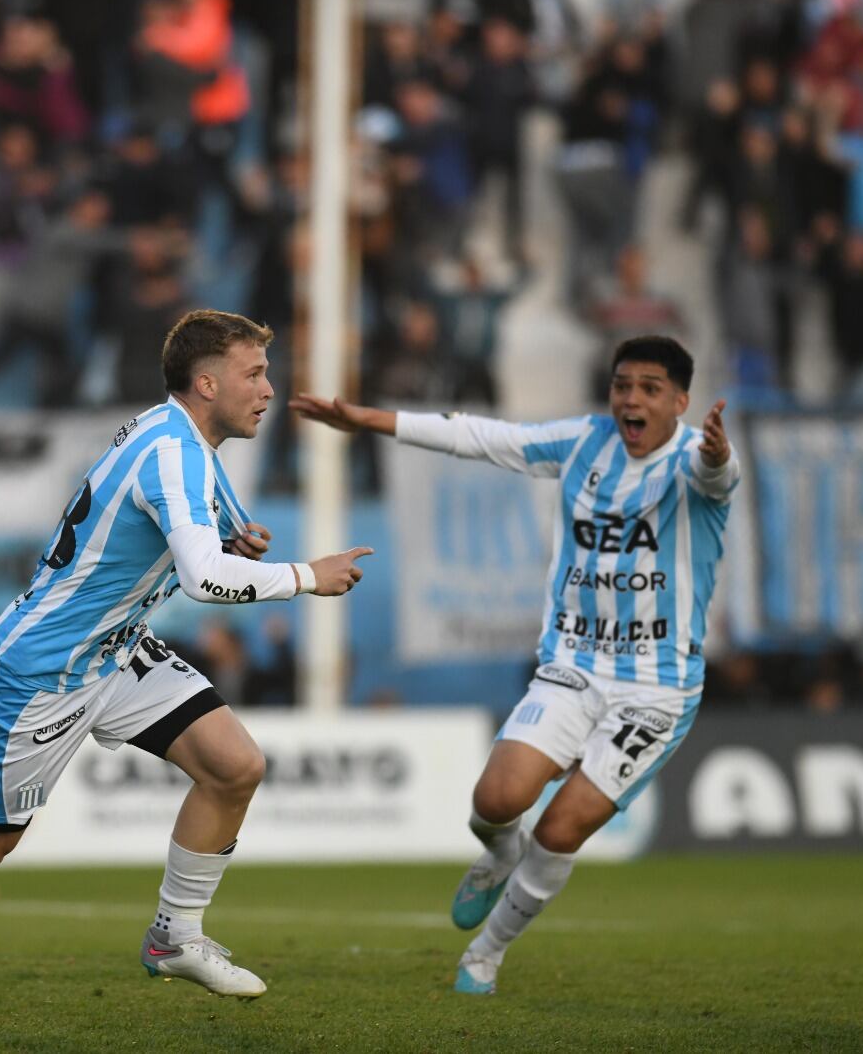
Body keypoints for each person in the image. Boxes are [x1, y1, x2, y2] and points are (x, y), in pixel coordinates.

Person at [0, 309, 373, 1021]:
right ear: (206, 382)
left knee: (233, 765)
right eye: (254, 373)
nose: (269, 388)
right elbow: (206, 580)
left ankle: (174, 937)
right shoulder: (172, 453)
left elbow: (201, 542)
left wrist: (236, 541)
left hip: (116, 651)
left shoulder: (185, 439)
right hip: (44, 666)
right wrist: (305, 576)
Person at [291, 334, 738, 996]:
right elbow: (474, 436)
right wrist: (366, 420)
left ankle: (487, 952)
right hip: (573, 667)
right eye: (622, 385)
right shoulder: (584, 442)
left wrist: (717, 454)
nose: (632, 399)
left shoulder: (696, 464)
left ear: (680, 400)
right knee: (495, 801)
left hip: (656, 689)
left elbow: (716, 477)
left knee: (562, 826)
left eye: (649, 388)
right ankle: (499, 852)